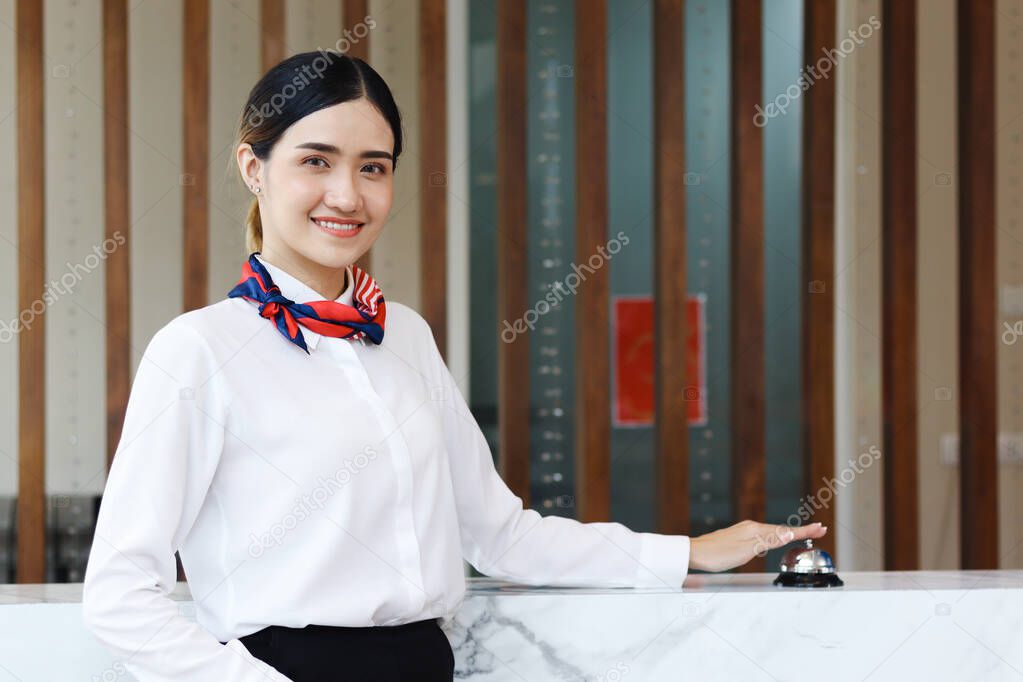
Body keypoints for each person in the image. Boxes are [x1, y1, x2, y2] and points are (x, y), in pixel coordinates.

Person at [81, 51, 828, 682]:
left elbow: (501, 536)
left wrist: (689, 550)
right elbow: (118, 592)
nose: (347, 195)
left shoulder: (403, 336)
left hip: (424, 662)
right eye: (316, 161)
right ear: (254, 167)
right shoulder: (199, 349)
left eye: (373, 167)